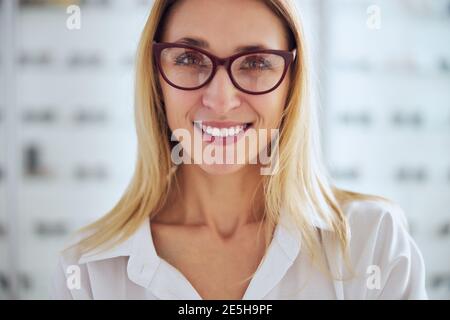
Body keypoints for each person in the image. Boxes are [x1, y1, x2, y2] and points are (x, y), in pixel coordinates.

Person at [51, 0, 427, 300]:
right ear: (155, 75)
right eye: (189, 59)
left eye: (256, 63)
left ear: (290, 83)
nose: (220, 99)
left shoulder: (372, 242)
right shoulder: (87, 271)